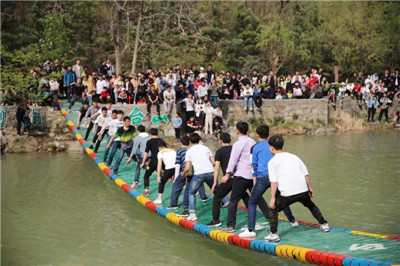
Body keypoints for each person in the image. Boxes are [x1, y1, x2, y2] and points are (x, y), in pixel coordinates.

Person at [265, 135, 329, 242]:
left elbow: (274, 182)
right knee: (310, 205)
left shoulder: (272, 162)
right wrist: (309, 187)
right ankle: (324, 224)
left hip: (288, 194)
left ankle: (273, 234)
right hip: (303, 190)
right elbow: (305, 173)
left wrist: (272, 198)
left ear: (271, 148)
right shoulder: (294, 156)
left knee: (273, 209)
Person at [239, 125, 298, 238]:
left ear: (257, 135)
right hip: (276, 176)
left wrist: (254, 181)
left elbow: (254, 165)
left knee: (252, 202)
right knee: (281, 199)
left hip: (262, 178)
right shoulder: (273, 145)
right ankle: (293, 221)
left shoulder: (254, 147)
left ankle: (251, 229)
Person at [221, 122, 269, 233]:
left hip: (241, 175)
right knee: (258, 197)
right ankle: (269, 217)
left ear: (237, 131)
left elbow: (233, 159)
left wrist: (228, 174)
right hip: (253, 175)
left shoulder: (238, 144)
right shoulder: (252, 142)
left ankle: (231, 226)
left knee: (233, 201)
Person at [167, 136, 208, 215]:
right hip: (196, 170)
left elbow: (178, 164)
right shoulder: (193, 150)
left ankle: (173, 204)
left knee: (177, 186)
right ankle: (204, 197)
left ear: (181, 143)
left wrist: (176, 177)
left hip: (185, 171)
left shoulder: (180, 151)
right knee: (199, 183)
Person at [207, 133, 240, 227]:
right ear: (230, 140)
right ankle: (257, 214)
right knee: (244, 196)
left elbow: (216, 168)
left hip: (228, 179)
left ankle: (215, 220)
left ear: (220, 141)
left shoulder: (219, 151)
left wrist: (214, 182)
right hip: (239, 177)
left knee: (217, 197)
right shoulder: (235, 149)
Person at [181, 133, 215, 221]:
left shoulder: (189, 151)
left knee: (192, 193)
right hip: (210, 171)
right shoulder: (206, 148)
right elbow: (214, 162)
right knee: (217, 190)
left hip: (199, 174)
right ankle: (226, 202)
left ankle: (192, 214)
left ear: (190, 141)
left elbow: (187, 168)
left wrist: (183, 173)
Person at [140, 128, 163, 196]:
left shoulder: (149, 141)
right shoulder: (161, 140)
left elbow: (146, 153)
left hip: (153, 161)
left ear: (150, 134)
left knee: (146, 175)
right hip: (161, 161)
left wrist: (143, 162)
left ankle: (146, 191)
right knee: (163, 176)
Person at [153, 140, 177, 205]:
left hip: (169, 169)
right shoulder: (173, 150)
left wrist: (158, 176)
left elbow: (159, 164)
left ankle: (159, 198)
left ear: (159, 147)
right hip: (176, 168)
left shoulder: (160, 153)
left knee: (161, 182)